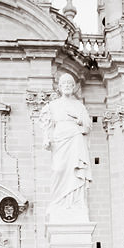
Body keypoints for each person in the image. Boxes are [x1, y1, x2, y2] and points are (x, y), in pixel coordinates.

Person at [40, 73, 91, 219]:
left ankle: (75, 202)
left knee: (75, 171)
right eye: (65, 84)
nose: (68, 86)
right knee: (58, 169)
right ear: (60, 87)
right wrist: (46, 138)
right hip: (60, 140)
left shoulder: (79, 106)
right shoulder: (53, 106)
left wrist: (79, 120)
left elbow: (87, 126)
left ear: (74, 87)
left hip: (75, 138)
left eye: (70, 84)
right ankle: (58, 202)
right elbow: (47, 124)